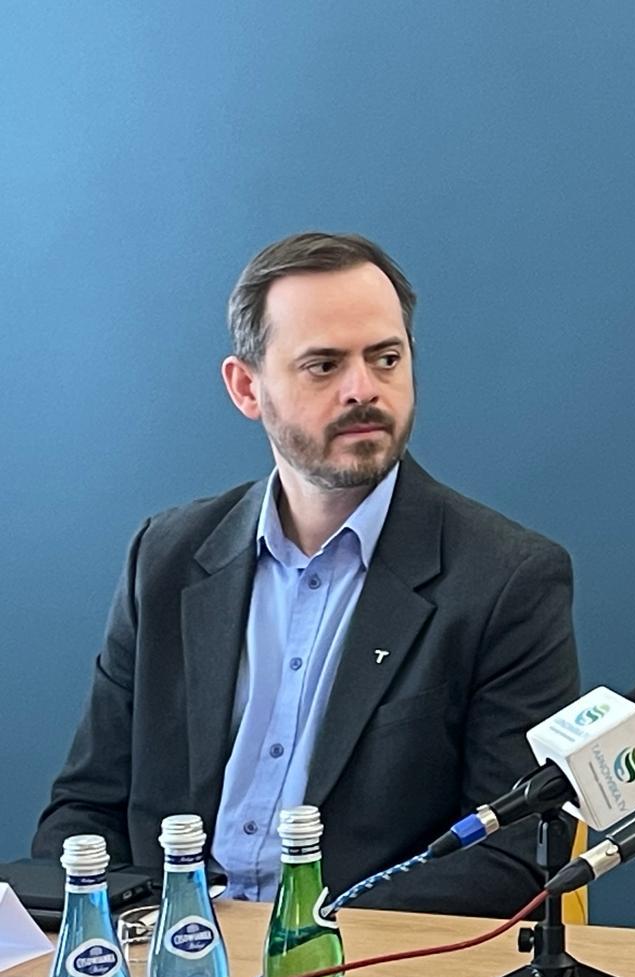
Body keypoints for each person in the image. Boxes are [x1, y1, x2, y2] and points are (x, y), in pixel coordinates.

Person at [33, 232, 579, 917]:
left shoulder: (506, 579)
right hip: (164, 953)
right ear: (246, 387)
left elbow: (511, 855)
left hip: (365, 963)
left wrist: (308, 938)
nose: (364, 390)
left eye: (386, 358)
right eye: (323, 365)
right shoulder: (165, 558)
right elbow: (84, 811)